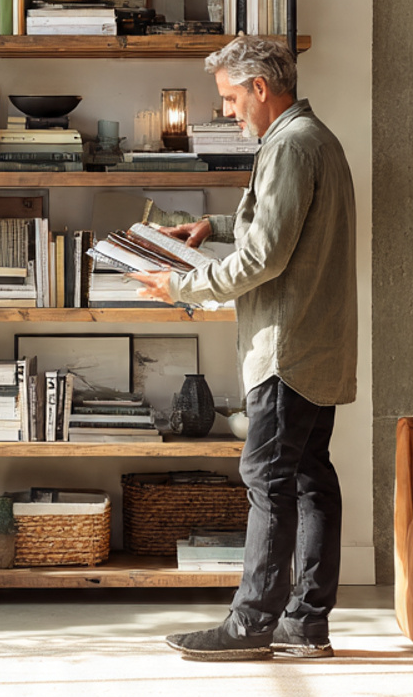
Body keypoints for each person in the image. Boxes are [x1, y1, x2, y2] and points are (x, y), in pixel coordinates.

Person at [128, 35, 357, 661]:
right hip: (317, 340)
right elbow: (288, 223)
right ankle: (306, 625)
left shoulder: (288, 146)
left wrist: (182, 285)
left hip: (286, 347)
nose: (227, 111)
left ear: (261, 88)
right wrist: (214, 227)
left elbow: (263, 257)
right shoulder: (314, 139)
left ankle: (251, 624)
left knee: (269, 480)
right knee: (310, 479)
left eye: (230, 98)